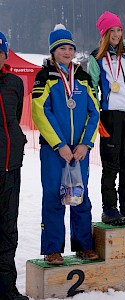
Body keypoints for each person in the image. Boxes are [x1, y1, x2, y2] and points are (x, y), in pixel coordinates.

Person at [32, 24, 100, 265]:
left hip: (79, 151)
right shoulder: (45, 77)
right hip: (54, 151)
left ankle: (84, 245)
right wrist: (59, 144)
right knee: (53, 196)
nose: (67, 52)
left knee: (80, 195)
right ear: (53, 51)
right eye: (62, 48)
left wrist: (85, 144)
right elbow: (40, 112)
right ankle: (53, 249)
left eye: (70, 48)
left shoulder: (82, 77)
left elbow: (94, 112)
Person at [88, 11, 125, 226]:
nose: (116, 34)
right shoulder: (96, 58)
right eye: (112, 30)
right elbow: (92, 88)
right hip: (111, 115)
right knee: (111, 164)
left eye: (119, 30)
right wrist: (98, 114)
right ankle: (109, 208)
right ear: (104, 33)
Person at [0, 31, 29, 300]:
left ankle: (7, 288)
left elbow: (15, 117)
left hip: (10, 165)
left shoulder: (14, 83)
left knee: (9, 228)